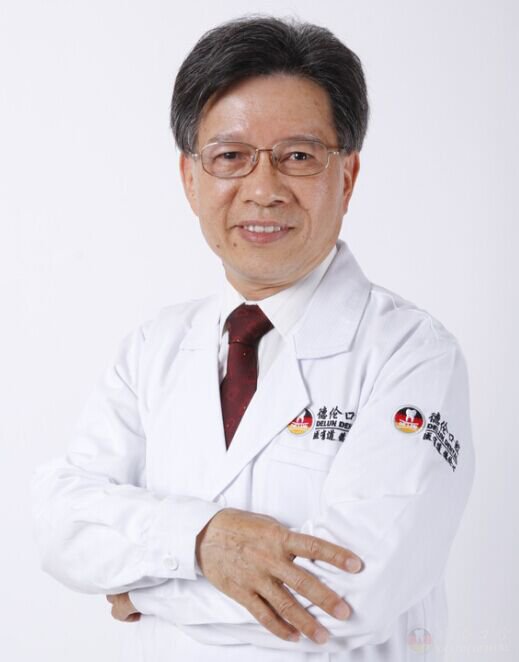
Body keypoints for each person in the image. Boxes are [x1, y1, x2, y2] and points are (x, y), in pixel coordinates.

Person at [30, 15, 475, 662]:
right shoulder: (152, 349)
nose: (263, 190)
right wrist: (204, 540)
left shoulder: (411, 354)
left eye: (298, 156)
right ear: (191, 179)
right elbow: (60, 525)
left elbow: (345, 597)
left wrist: (141, 585)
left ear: (347, 176)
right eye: (230, 157)